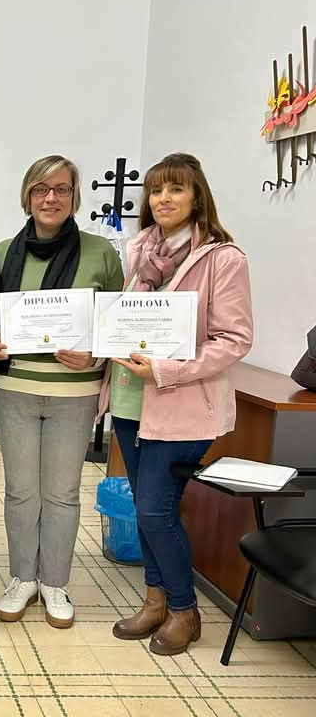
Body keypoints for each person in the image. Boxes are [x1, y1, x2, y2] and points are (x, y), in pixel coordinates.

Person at [102, 153, 252, 655]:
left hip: (181, 404)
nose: (163, 200)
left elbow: (235, 339)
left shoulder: (222, 258)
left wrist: (169, 369)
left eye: (175, 190)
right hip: (129, 399)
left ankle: (185, 611)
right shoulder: (140, 253)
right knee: (147, 511)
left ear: (197, 197)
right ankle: (154, 600)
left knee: (155, 510)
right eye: (156, 190)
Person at [0, 155, 124, 628]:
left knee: (63, 493)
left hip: (74, 391)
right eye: (42, 189)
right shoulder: (4, 250)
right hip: (14, 387)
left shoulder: (100, 253)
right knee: (22, 490)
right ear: (28, 194)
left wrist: (95, 356)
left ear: (74, 198)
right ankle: (22, 577)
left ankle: (55, 583)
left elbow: (116, 323)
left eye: (62, 190)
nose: (51, 198)